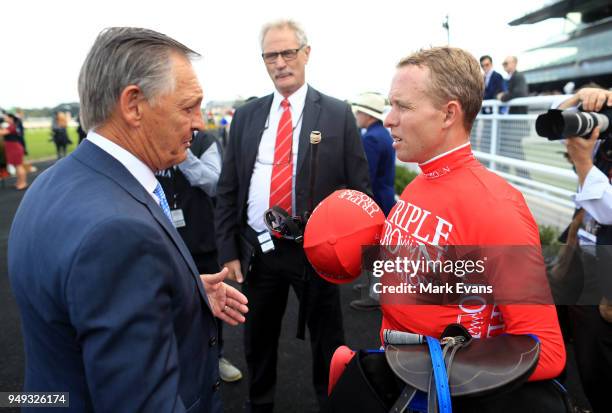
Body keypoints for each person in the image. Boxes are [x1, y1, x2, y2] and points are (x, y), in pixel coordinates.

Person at [8, 27, 248, 412]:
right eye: (188, 107)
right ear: (134, 105)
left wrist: (180, 291)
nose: (200, 122)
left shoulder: (51, 181)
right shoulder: (118, 233)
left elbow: (84, 301)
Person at [380, 47, 565, 381]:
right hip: (395, 375)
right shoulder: (418, 184)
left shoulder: (496, 208)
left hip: (442, 395)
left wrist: (435, 368)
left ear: (449, 114)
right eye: (390, 104)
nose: (387, 118)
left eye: (402, 106)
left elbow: (546, 351)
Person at [215, 19, 370, 412]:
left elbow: (359, 189)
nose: (280, 62)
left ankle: (331, 403)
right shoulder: (247, 116)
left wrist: (352, 248)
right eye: (271, 55)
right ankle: (259, 403)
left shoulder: (336, 113)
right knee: (258, 338)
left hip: (317, 251)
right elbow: (229, 186)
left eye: (288, 53)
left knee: (327, 339)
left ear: (306, 54)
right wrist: (228, 250)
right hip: (258, 249)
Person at [156, 129, 243, 383]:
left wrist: (182, 154)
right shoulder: (150, 136)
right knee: (165, 301)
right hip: (162, 239)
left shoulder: (204, 141)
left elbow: (214, 182)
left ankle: (217, 356)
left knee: (212, 303)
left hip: (202, 238)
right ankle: (172, 361)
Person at [557, 87, 612, 413]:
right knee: (556, 317)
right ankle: (562, 396)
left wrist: (582, 160)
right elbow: (554, 115)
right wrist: (585, 96)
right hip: (579, 245)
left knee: (596, 345)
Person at [349, 92, 395, 312]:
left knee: (373, 247)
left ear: (368, 114)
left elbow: (366, 175)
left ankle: (374, 294)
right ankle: (373, 288)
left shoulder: (371, 138)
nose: (357, 114)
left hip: (375, 198)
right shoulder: (381, 134)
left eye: (360, 111)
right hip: (384, 196)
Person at [497, 55, 530, 177]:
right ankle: (513, 176)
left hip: (516, 122)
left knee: (515, 151)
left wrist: (503, 97)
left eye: (506, 63)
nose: (504, 66)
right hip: (509, 122)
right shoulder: (508, 79)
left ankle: (524, 178)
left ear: (515, 63)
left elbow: (520, 92)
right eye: (503, 64)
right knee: (509, 149)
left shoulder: (519, 76)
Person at [0, 112, 28, 190]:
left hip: (15, 148)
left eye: (6, 117)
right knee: (16, 166)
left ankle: (23, 183)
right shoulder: (11, 126)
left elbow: (1, 133)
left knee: (19, 166)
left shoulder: (12, 126)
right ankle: (19, 182)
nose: (4, 119)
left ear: (11, 118)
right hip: (13, 148)